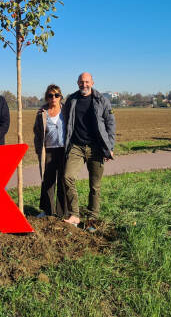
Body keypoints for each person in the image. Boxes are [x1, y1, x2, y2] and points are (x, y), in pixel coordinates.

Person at [62, 72, 116, 228]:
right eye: (81, 82)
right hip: (76, 146)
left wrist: (109, 147)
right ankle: (75, 215)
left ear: (92, 82)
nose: (83, 85)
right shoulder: (72, 99)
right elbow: (63, 118)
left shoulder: (101, 100)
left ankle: (92, 218)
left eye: (86, 82)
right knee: (67, 176)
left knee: (94, 185)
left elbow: (111, 124)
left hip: (96, 147)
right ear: (77, 83)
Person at [33, 84, 67, 218]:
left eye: (56, 95)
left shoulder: (66, 110)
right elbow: (36, 132)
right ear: (47, 97)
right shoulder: (42, 113)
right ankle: (47, 210)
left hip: (64, 150)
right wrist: (38, 150)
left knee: (64, 181)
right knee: (48, 180)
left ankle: (62, 212)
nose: (53, 98)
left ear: (60, 97)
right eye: (50, 95)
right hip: (48, 150)